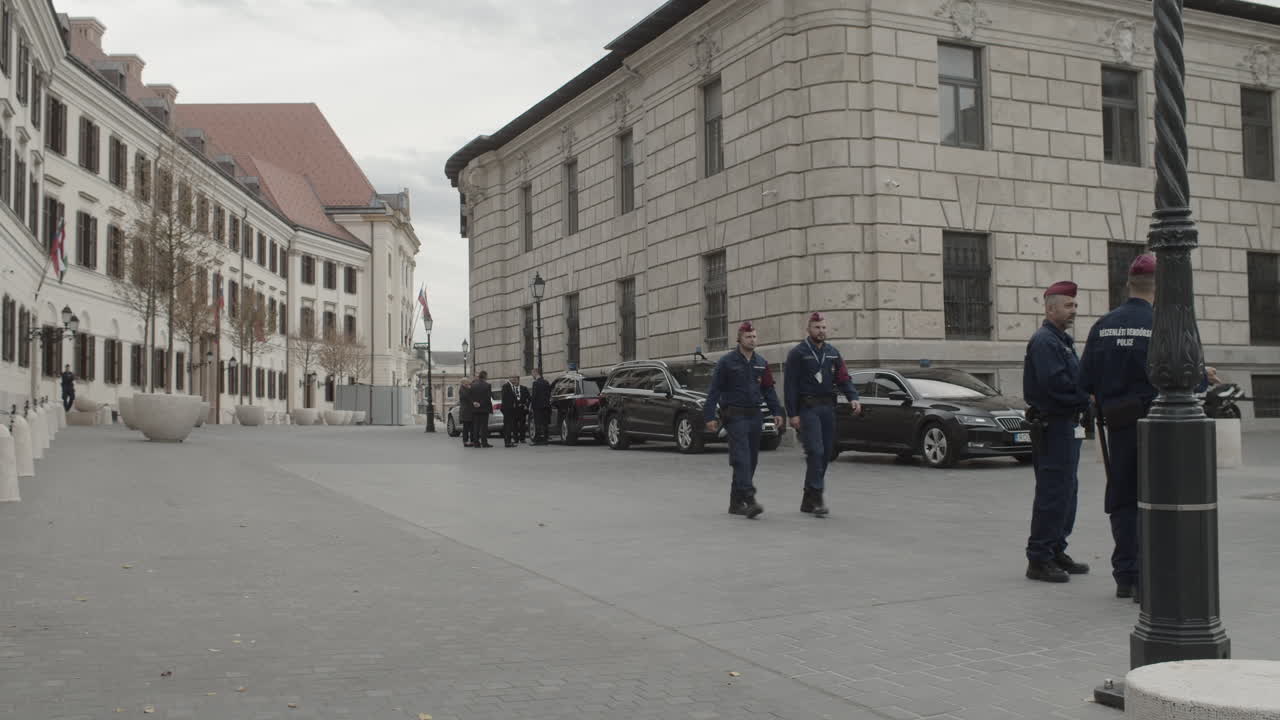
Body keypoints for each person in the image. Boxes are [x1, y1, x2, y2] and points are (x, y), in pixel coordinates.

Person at [1080, 254, 1156, 601]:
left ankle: (1126, 574)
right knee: (1158, 501)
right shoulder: (1164, 324)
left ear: (1129, 284)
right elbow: (1190, 379)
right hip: (1159, 430)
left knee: (1122, 498)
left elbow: (1086, 381)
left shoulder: (1103, 325)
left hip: (1119, 427)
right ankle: (1150, 575)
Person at [1023, 281, 1092, 583]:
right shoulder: (1045, 342)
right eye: (1068, 305)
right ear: (1050, 309)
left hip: (1067, 424)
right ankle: (1039, 558)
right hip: (1053, 425)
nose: (1073, 310)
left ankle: (1055, 548)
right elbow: (1057, 385)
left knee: (1067, 491)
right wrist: (1087, 397)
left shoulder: (1062, 341)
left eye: (1075, 305)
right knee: (1053, 492)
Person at [783, 312, 861, 517]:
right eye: (817, 327)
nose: (821, 331)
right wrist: (792, 414)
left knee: (826, 453)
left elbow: (843, 378)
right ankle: (817, 496)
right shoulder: (798, 353)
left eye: (824, 327)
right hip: (808, 408)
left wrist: (853, 396)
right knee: (815, 451)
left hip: (828, 408)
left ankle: (808, 498)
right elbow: (790, 385)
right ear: (808, 329)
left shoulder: (833, 353)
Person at [705, 321, 784, 518]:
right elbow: (715, 390)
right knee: (741, 459)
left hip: (754, 416)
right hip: (735, 416)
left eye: (755, 337)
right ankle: (749, 499)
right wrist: (709, 416)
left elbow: (768, 390)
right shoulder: (727, 362)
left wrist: (777, 411)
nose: (752, 340)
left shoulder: (761, 363)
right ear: (739, 339)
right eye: (748, 337)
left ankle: (735, 503)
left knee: (751, 461)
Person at [471, 371, 493, 448]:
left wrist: (474, 403)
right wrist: (481, 404)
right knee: (484, 426)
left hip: (475, 408)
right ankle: (484, 442)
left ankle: (476, 443)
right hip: (484, 409)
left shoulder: (473, 385)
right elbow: (488, 398)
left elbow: (470, 396)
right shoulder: (487, 385)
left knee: (476, 426)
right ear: (485, 376)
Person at [530, 369, 552, 445]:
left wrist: (532, 406)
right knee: (545, 423)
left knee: (538, 423)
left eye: (532, 374)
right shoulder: (546, 382)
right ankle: (545, 439)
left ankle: (537, 440)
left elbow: (534, 396)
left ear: (536, 373)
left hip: (537, 407)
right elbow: (549, 394)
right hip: (546, 406)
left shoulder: (535, 383)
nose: (532, 375)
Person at [501, 375, 523, 448]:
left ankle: (509, 441)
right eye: (513, 379)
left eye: (515, 379)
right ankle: (507, 442)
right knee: (507, 426)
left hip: (511, 410)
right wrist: (510, 406)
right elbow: (505, 398)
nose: (514, 380)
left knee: (510, 426)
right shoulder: (506, 386)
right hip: (508, 410)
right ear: (510, 379)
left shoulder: (511, 387)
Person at [459, 379, 475, 447]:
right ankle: (465, 441)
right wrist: (469, 389)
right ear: (463, 382)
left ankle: (472, 440)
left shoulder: (466, 388)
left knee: (471, 427)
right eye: (467, 381)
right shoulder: (462, 389)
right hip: (465, 411)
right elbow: (466, 396)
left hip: (469, 411)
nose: (469, 382)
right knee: (466, 427)